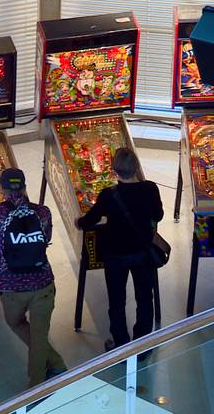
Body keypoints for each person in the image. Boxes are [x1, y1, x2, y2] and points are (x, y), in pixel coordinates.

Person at [0, 168, 67, 388]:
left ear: (1, 187)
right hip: (43, 282)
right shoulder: (43, 212)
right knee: (39, 335)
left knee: (15, 322)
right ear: (24, 185)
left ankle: (36, 387)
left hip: (12, 285)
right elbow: (45, 238)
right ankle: (55, 363)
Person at [76, 148, 163, 354]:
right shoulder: (150, 188)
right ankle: (142, 346)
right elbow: (158, 215)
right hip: (143, 252)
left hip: (115, 254)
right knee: (144, 298)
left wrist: (79, 222)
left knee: (116, 300)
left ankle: (121, 345)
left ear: (115, 170)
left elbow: (92, 219)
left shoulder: (108, 194)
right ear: (136, 167)